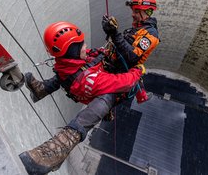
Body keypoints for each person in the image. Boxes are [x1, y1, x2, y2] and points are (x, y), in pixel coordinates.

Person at [19, 21, 145, 174]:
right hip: (97, 90)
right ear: (72, 50)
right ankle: (61, 145)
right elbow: (124, 82)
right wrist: (137, 71)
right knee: (108, 97)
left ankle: (42, 89)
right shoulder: (91, 80)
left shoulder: (64, 62)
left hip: (77, 78)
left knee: (61, 75)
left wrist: (98, 53)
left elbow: (83, 59)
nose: (86, 46)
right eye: (82, 45)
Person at [24, 0, 159, 104]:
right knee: (73, 65)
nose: (133, 14)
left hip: (118, 68)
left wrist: (114, 33)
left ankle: (45, 91)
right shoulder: (137, 29)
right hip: (111, 60)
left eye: (136, 11)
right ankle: (43, 89)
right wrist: (108, 35)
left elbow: (132, 57)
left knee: (79, 73)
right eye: (133, 11)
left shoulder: (150, 35)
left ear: (147, 12)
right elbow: (121, 46)